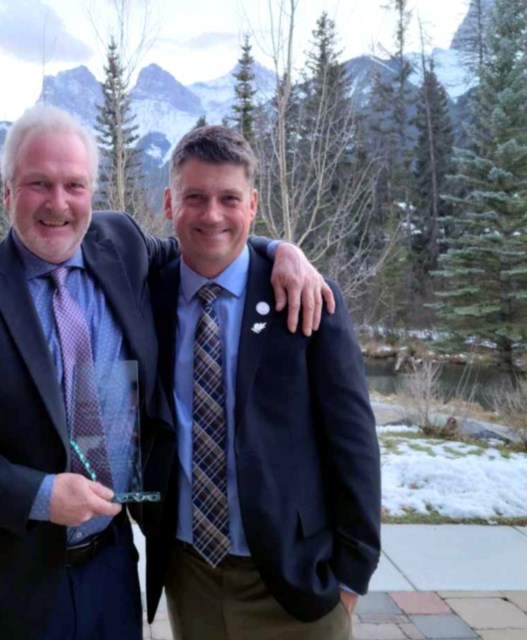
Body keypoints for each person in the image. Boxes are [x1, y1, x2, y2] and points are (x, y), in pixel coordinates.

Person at [0, 105, 330, 640]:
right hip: (1, 583)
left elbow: (207, 241)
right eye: (39, 184)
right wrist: (40, 494)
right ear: (8, 191)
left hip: (110, 570)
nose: (58, 204)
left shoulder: (120, 244)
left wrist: (281, 251)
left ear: (92, 192)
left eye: (74, 185)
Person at [144, 125, 381, 640]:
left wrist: (351, 579)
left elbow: (355, 444)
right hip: (190, 577)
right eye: (195, 197)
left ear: (252, 205)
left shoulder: (308, 299)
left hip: (297, 583)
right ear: (169, 202)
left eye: (229, 198)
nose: (211, 215)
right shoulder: (146, 296)